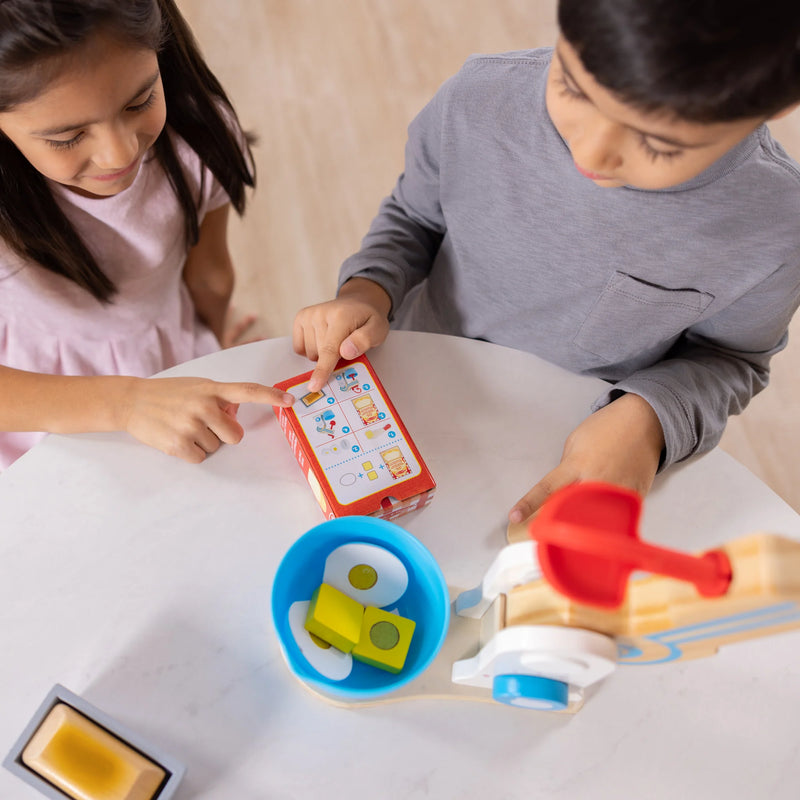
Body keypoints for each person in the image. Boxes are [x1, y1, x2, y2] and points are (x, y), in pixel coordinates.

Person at [293, 0, 800, 524]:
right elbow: (414, 218)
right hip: (421, 378)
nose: (591, 154)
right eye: (573, 88)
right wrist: (365, 292)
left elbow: (731, 359)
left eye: (657, 144)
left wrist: (650, 419)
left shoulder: (777, 227)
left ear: (776, 104)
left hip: (573, 450)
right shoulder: (478, 100)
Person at [0, 0, 294, 470]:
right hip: (33, 402)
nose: (120, 153)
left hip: (168, 363)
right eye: (67, 138)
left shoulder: (200, 137)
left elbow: (211, 278)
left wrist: (209, 347)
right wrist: (126, 401)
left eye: (140, 102)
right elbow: (212, 280)